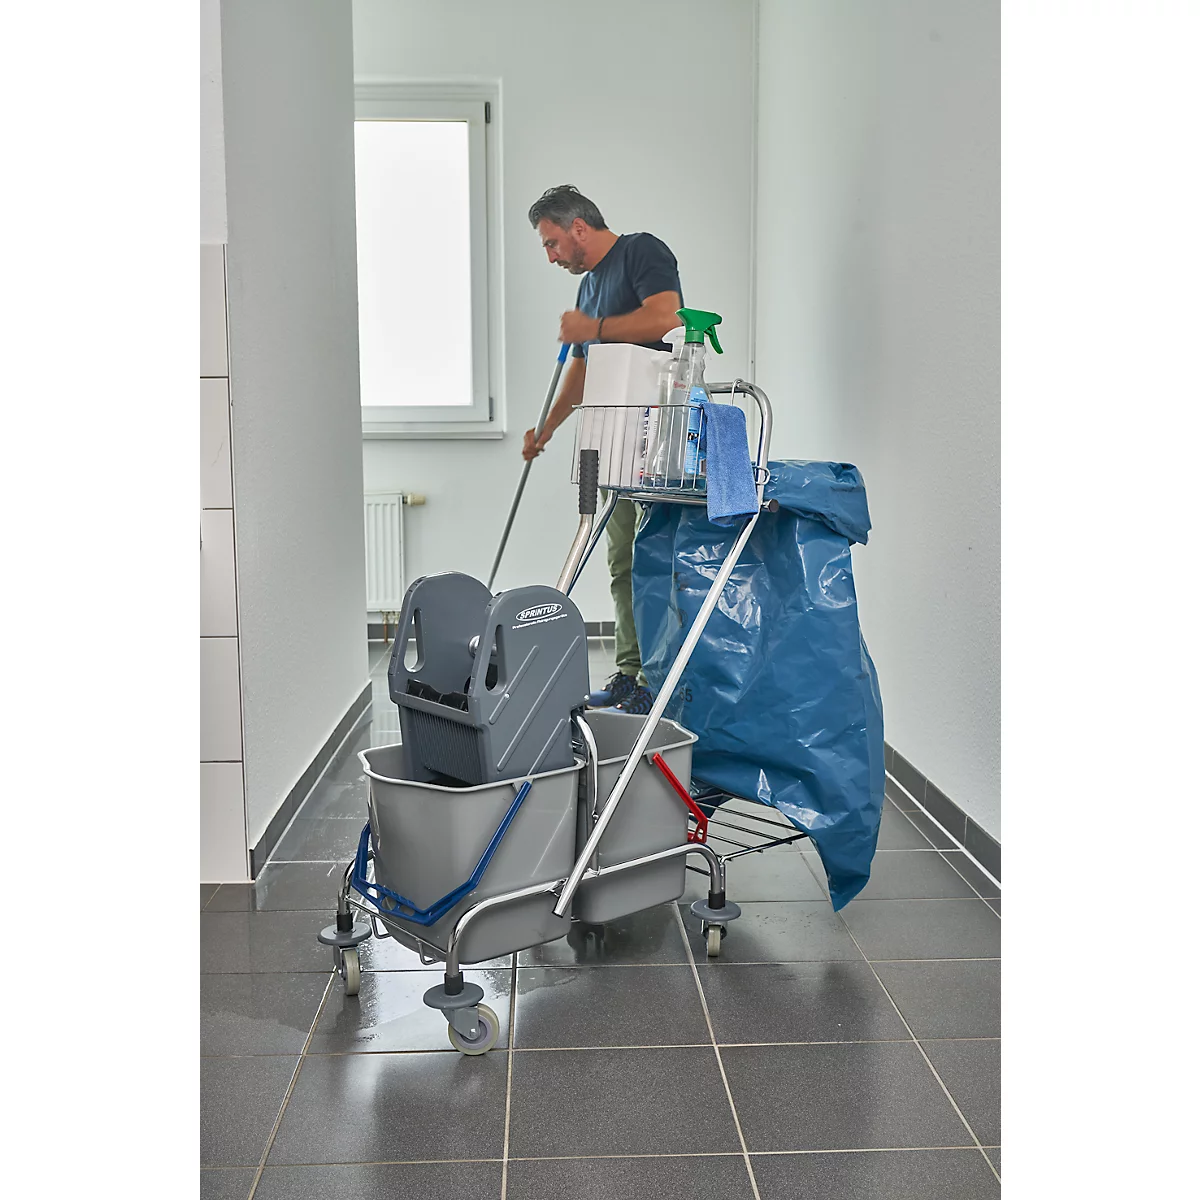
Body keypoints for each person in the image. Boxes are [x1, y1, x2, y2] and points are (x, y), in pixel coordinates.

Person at [524, 185, 683, 715]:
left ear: (578, 228)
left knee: (652, 561)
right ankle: (630, 675)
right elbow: (583, 367)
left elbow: (667, 319)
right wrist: (545, 429)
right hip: (609, 441)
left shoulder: (643, 252)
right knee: (620, 560)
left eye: (551, 243)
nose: (550, 256)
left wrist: (592, 328)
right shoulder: (587, 289)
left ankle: (661, 680)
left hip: (653, 436)